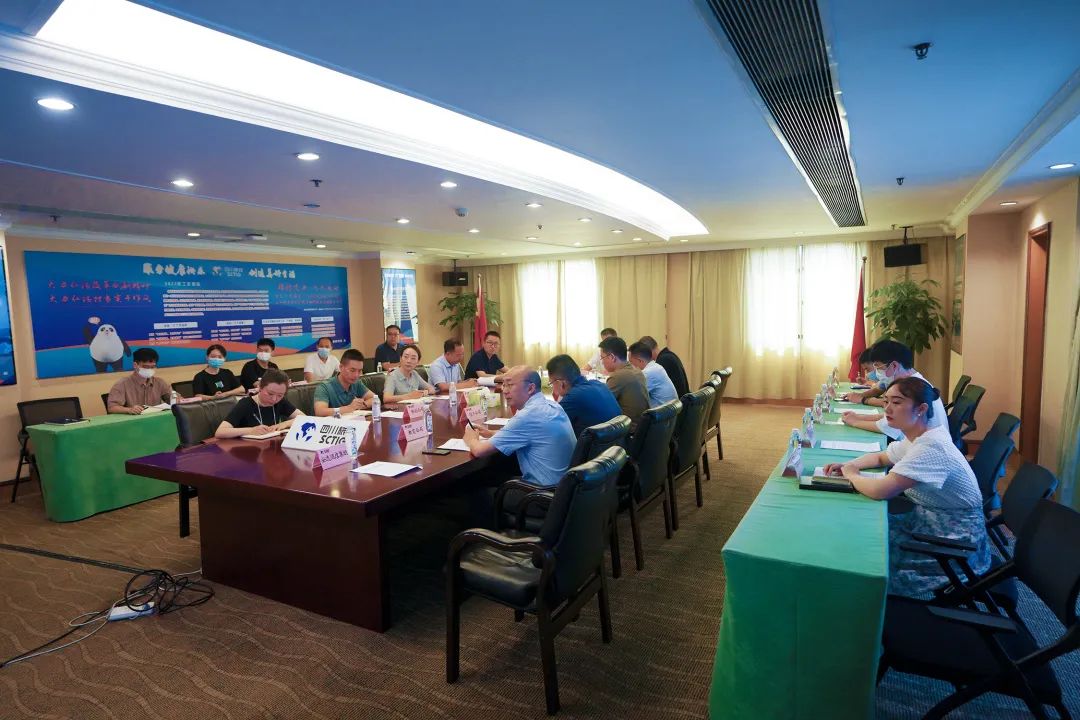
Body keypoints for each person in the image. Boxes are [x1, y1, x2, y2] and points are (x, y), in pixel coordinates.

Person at [822, 377, 990, 598]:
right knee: (854, 531)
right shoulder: (920, 436)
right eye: (886, 401)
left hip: (953, 543)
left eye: (897, 402)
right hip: (927, 522)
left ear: (921, 409)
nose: (887, 409)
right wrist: (849, 464)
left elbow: (880, 491)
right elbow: (882, 457)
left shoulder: (931, 447)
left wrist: (851, 475)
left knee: (859, 553)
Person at [463, 366, 576, 487]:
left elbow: (479, 451)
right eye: (504, 385)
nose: (504, 390)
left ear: (530, 388)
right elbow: (530, 433)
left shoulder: (527, 416)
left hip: (540, 491)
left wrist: (471, 439)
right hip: (566, 488)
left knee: (472, 483)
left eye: (510, 385)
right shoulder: (553, 406)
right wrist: (491, 433)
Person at [840, 340, 947, 440]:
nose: (877, 373)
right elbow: (888, 416)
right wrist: (859, 417)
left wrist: (854, 422)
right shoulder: (912, 381)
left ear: (894, 365)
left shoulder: (911, 388)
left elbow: (887, 427)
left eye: (878, 368)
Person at [546, 353, 623, 437]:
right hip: (618, 443)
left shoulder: (573, 397)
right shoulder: (599, 384)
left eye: (551, 384)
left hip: (595, 444)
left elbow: (550, 428)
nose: (552, 388)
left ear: (561, 383)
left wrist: (558, 403)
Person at [215, 369, 303, 438]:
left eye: (280, 395)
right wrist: (250, 431)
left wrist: (285, 424)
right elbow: (220, 432)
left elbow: (304, 418)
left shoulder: (281, 402)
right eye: (270, 394)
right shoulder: (246, 404)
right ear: (260, 387)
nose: (274, 399)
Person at [599, 336, 650, 430]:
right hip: (643, 428)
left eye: (602, 358)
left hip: (629, 431)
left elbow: (601, 405)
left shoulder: (618, 376)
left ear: (612, 357)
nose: (602, 362)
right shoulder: (637, 371)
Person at [106, 347, 172, 414]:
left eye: (152, 367)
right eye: (146, 367)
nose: (149, 370)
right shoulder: (122, 384)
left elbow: (173, 399)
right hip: (133, 419)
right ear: (135, 365)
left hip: (155, 418)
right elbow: (112, 408)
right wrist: (129, 409)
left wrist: (176, 399)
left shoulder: (160, 382)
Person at [313, 349, 375, 416]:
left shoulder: (356, 383)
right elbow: (320, 411)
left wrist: (361, 405)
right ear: (341, 367)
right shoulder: (324, 387)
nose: (356, 375)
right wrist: (349, 408)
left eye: (359, 371)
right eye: (352, 370)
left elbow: (375, 399)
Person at [628, 340, 678, 407]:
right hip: (670, 410)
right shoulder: (656, 366)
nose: (630, 365)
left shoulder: (648, 373)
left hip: (664, 412)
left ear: (640, 361)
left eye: (631, 362)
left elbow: (634, 396)